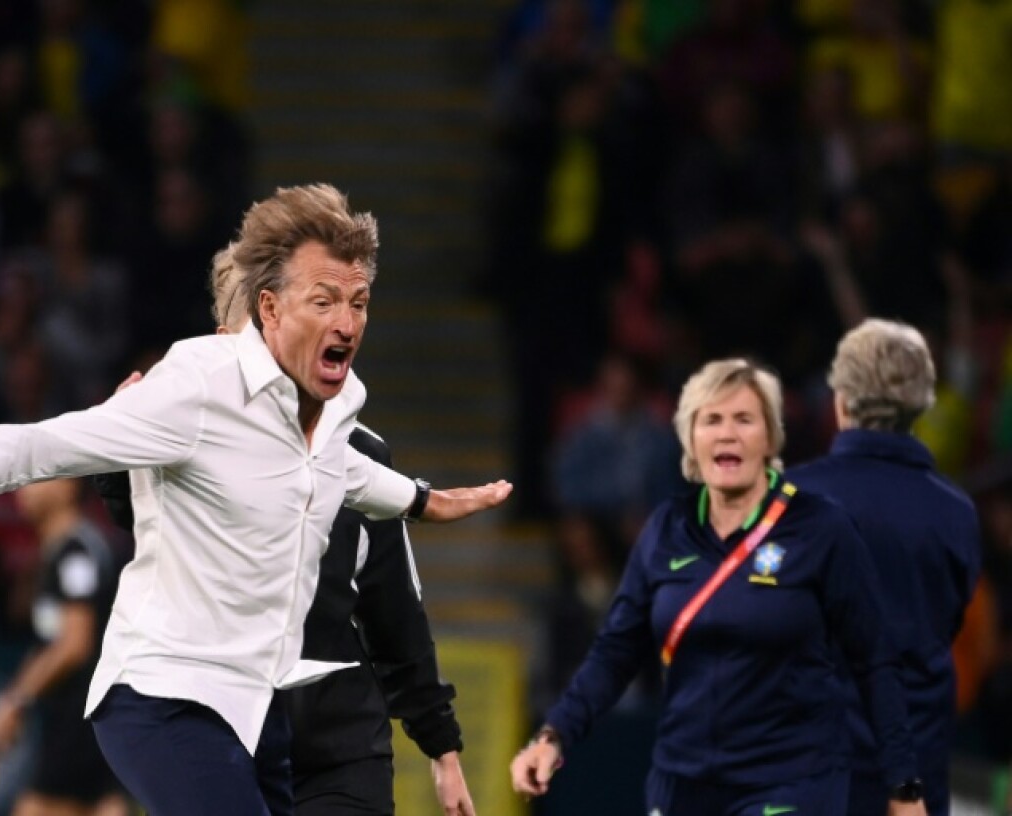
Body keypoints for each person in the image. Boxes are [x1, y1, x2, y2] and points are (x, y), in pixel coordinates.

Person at [0, 183, 510, 816]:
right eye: (324, 300)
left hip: (259, 710)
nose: (347, 321)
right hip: (164, 692)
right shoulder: (198, 385)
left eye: (359, 302)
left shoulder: (338, 408)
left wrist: (423, 502)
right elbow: (65, 439)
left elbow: (339, 470)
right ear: (269, 311)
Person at [97, 242, 476, 815]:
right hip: (223, 738)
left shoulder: (361, 456)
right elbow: (150, 531)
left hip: (339, 755)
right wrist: (121, 452)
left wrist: (442, 749)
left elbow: (394, 610)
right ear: (224, 342)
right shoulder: (188, 440)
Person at [510, 358, 927, 815]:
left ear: (770, 438)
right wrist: (553, 736)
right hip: (683, 783)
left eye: (744, 419)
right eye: (712, 420)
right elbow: (615, 652)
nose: (727, 433)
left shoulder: (821, 530)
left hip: (791, 782)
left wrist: (903, 785)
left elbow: (876, 662)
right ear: (691, 440)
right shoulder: (667, 528)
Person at [789, 318, 981, 816]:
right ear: (919, 405)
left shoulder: (787, 502)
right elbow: (948, 623)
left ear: (842, 402)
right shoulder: (956, 513)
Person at [0, 477, 131, 816]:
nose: (22, 487)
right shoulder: (59, 550)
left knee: (35, 808)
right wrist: (14, 697)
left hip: (86, 714)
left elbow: (75, 644)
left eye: (35, 479)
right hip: (80, 714)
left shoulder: (76, 553)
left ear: (66, 486)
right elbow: (50, 642)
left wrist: (17, 699)